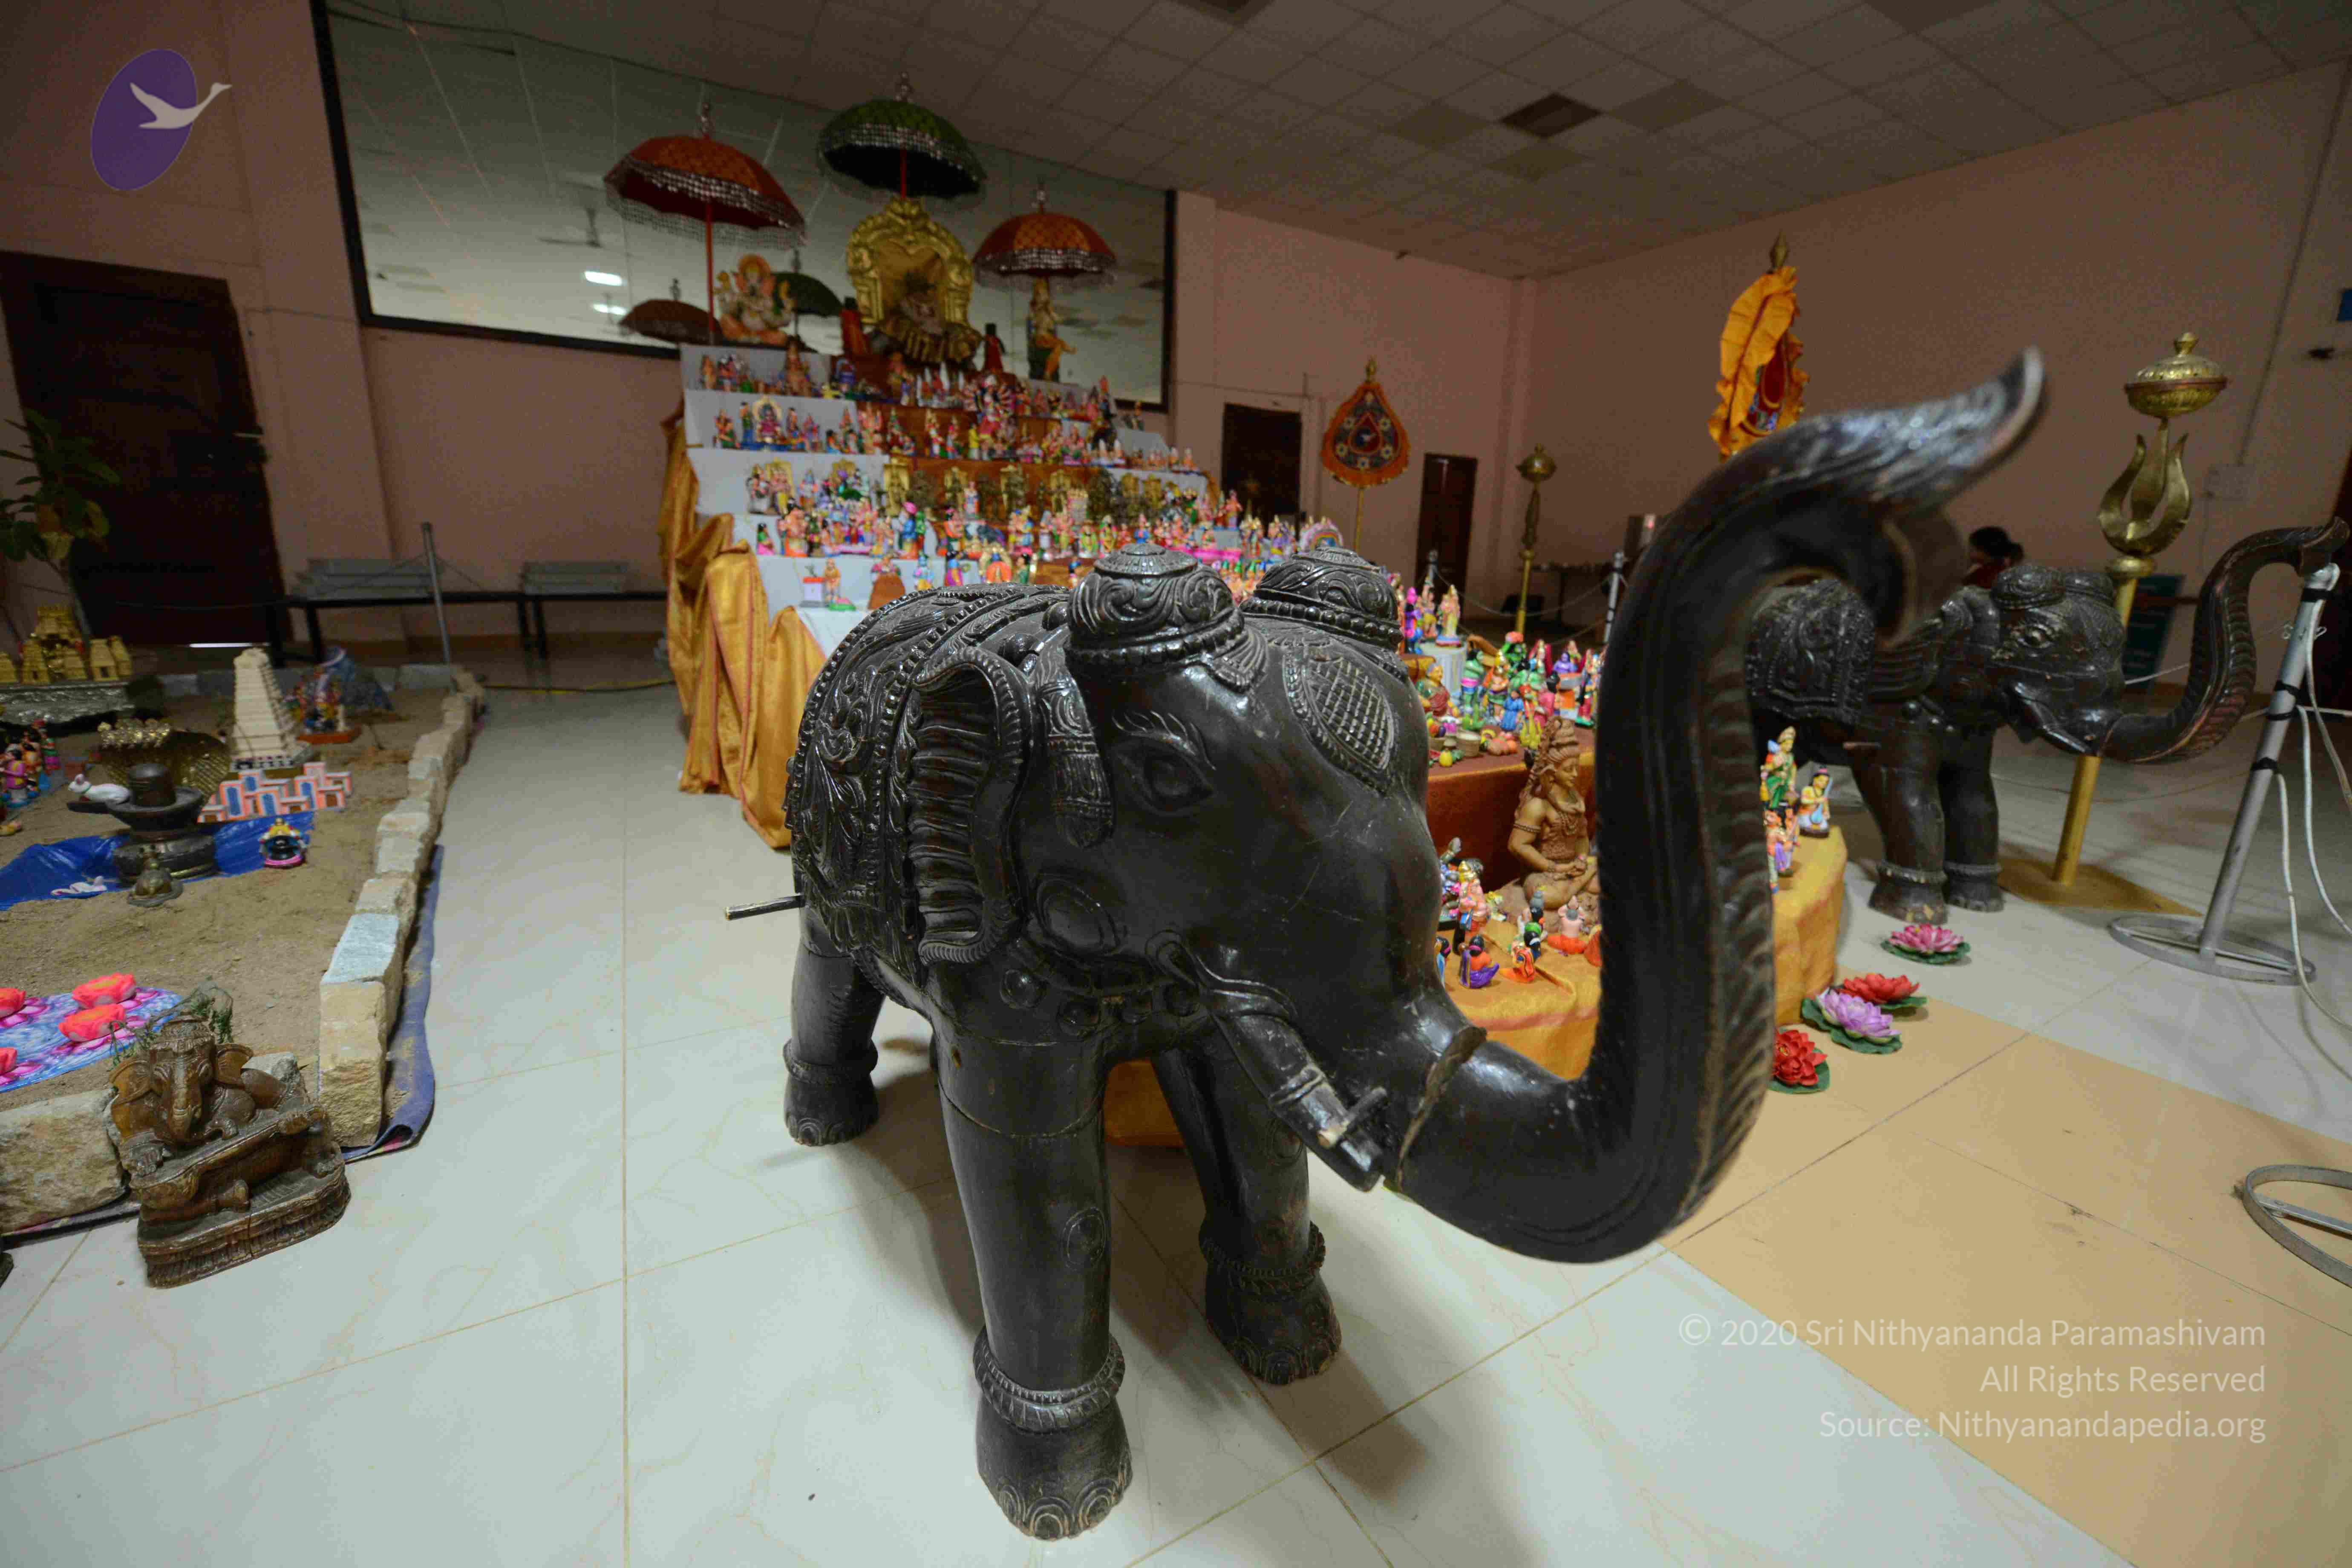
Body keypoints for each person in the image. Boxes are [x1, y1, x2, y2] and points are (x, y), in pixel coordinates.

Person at [1966, 525, 2023, 589]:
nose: (1969, 553)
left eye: (1972, 550)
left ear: (1984, 551)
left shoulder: (1986, 575)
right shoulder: (2002, 568)